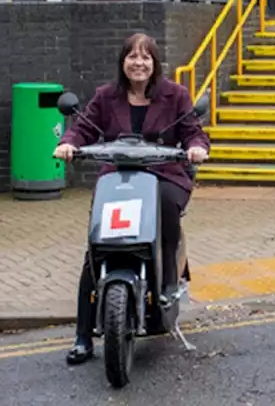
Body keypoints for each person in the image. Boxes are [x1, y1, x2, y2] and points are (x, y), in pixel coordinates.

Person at [52, 32, 210, 366]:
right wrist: (68, 143)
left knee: (165, 205)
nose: (138, 63)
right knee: (97, 243)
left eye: (146, 57)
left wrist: (196, 148)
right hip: (119, 176)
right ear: (122, 62)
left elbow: (193, 131)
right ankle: (83, 336)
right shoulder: (106, 96)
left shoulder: (175, 95)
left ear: (155, 63)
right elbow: (82, 127)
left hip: (165, 174)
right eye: (132, 57)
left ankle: (167, 280)